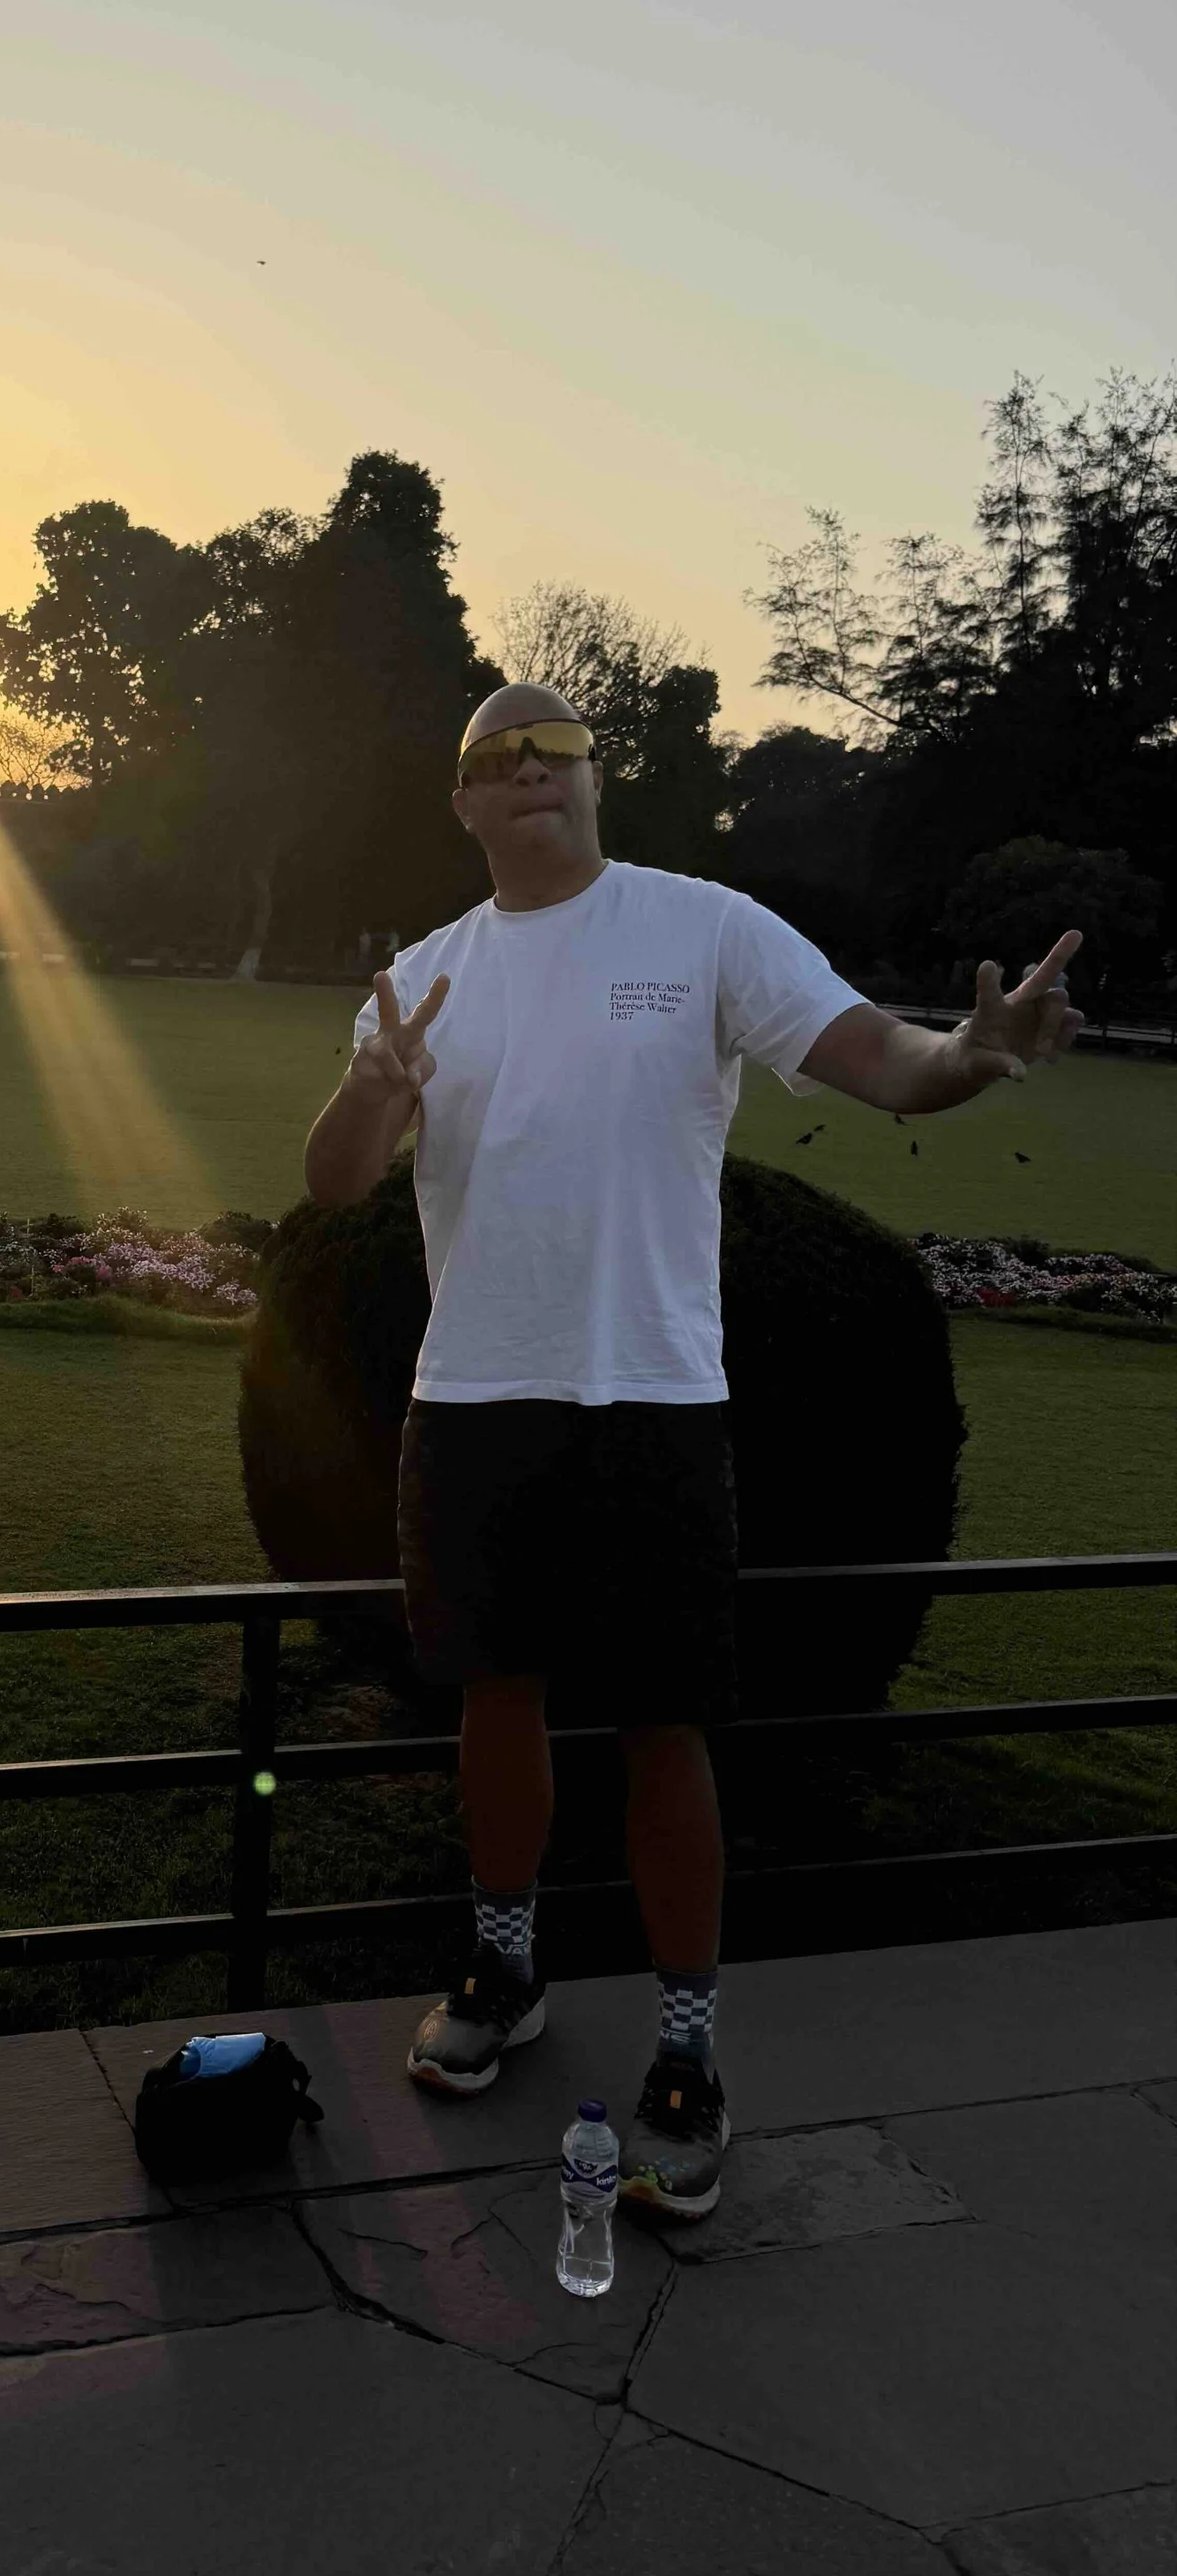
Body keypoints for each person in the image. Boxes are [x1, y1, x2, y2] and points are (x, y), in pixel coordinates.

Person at [302, 681, 1083, 2217]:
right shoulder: (424, 979)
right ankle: (507, 1970)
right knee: (495, 1701)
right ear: (463, 802)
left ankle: (686, 2045)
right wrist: (368, 1089)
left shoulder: (704, 930)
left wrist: (973, 1054)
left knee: (666, 1722)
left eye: (558, 749)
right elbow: (336, 1182)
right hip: (474, 1400)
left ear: (597, 779)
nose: (531, 771)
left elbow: (887, 1064)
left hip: (653, 1398)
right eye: (497, 758)